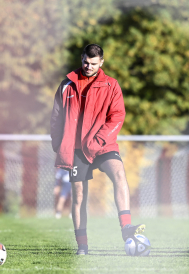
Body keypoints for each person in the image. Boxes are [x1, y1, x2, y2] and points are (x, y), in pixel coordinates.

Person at [50, 43, 144, 255]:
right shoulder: (66, 85)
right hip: (76, 149)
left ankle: (126, 227)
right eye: (85, 62)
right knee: (79, 196)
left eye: (93, 63)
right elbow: (56, 117)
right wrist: (58, 143)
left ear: (101, 62)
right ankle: (82, 246)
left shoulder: (111, 85)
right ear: (81, 58)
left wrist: (98, 140)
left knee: (119, 173)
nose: (88, 66)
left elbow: (117, 116)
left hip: (102, 145)